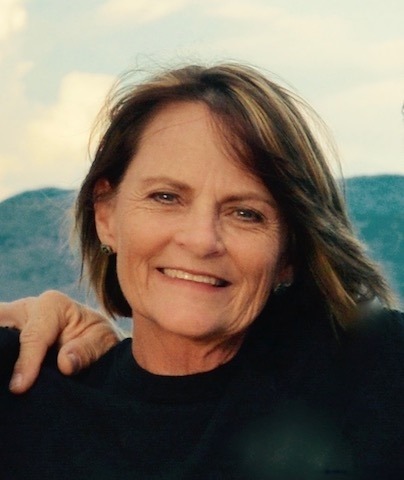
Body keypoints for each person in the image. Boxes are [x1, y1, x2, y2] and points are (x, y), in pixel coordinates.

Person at [1, 62, 403, 479]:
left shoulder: (377, 375)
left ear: (289, 253)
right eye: (166, 197)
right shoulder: (24, 388)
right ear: (106, 215)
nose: (200, 240)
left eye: (246, 213)